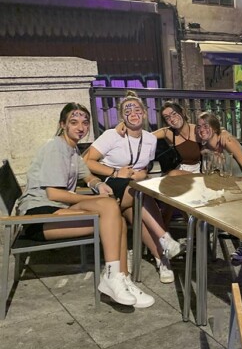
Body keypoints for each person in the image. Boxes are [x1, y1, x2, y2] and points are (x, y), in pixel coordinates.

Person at [17, 103, 154, 307]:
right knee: (110, 209)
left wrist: (98, 185)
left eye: (85, 123)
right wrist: (96, 200)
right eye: (74, 122)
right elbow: (53, 193)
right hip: (39, 217)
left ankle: (122, 279)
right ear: (62, 124)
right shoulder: (55, 147)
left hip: (58, 209)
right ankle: (112, 277)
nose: (80, 127)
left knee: (116, 219)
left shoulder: (72, 148)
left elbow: (88, 176)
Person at [84, 91, 184, 284]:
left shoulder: (150, 139)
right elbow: (87, 161)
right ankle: (165, 241)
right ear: (122, 116)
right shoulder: (112, 135)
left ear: (144, 113)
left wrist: (142, 173)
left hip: (133, 189)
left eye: (137, 110)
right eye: (128, 111)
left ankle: (162, 258)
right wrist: (115, 172)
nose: (133, 114)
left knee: (137, 212)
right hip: (110, 187)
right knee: (142, 193)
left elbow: (144, 166)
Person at [195, 111, 242, 260]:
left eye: (206, 125)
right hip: (232, 183)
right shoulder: (206, 149)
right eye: (199, 126)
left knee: (234, 199)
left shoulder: (226, 141)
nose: (201, 129)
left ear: (215, 127)